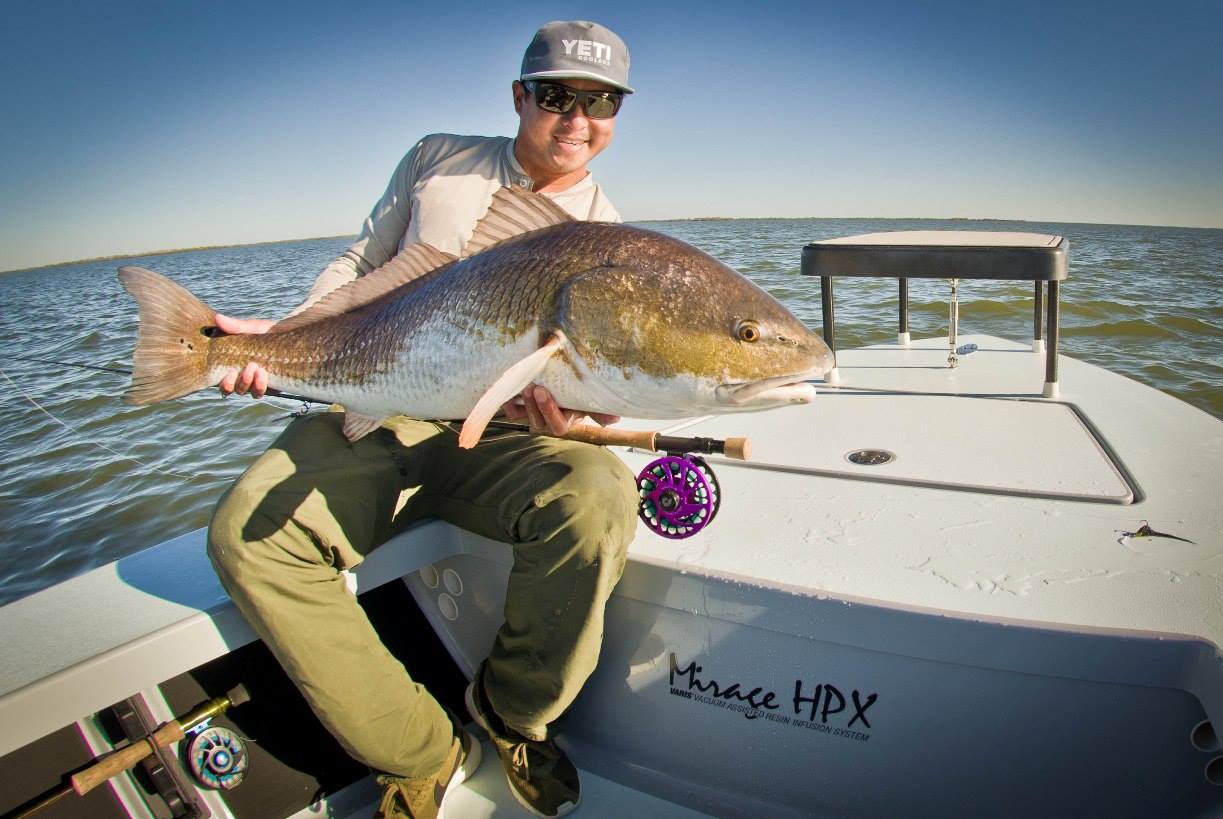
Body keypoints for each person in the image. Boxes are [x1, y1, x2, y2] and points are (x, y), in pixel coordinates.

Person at [205, 20, 638, 819]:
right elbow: (362, 263)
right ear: (519, 96)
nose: (576, 119)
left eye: (600, 100)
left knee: (599, 496)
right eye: (555, 96)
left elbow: (596, 383)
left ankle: (511, 710)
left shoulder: (603, 233)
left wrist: (564, 411)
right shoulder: (437, 157)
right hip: (376, 401)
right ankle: (420, 752)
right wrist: (288, 333)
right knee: (248, 539)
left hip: (498, 433)